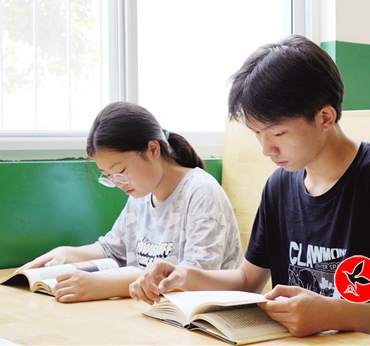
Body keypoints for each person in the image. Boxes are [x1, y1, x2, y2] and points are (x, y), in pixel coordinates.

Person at [129, 35, 370, 345]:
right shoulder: (279, 186)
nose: (267, 149)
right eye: (257, 134)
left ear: (325, 117)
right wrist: (186, 275)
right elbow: (248, 280)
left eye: (278, 133)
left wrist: (333, 314)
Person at [19, 101, 243, 303]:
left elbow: (191, 277)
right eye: (109, 176)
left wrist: (103, 286)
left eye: (121, 171)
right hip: (153, 311)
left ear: (153, 149)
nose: (118, 183)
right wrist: (67, 253)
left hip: (199, 318)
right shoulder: (142, 193)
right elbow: (112, 249)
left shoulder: (201, 192)